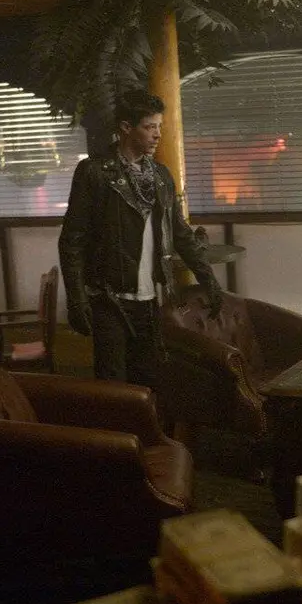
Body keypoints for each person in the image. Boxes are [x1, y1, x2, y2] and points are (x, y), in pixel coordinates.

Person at [59, 87, 221, 387]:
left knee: (148, 383)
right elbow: (72, 241)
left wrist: (208, 279)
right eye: (149, 127)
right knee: (114, 387)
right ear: (125, 128)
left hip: (148, 300)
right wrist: (76, 298)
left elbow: (181, 234)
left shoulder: (160, 176)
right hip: (108, 300)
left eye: (159, 126)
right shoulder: (94, 172)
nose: (158, 134)